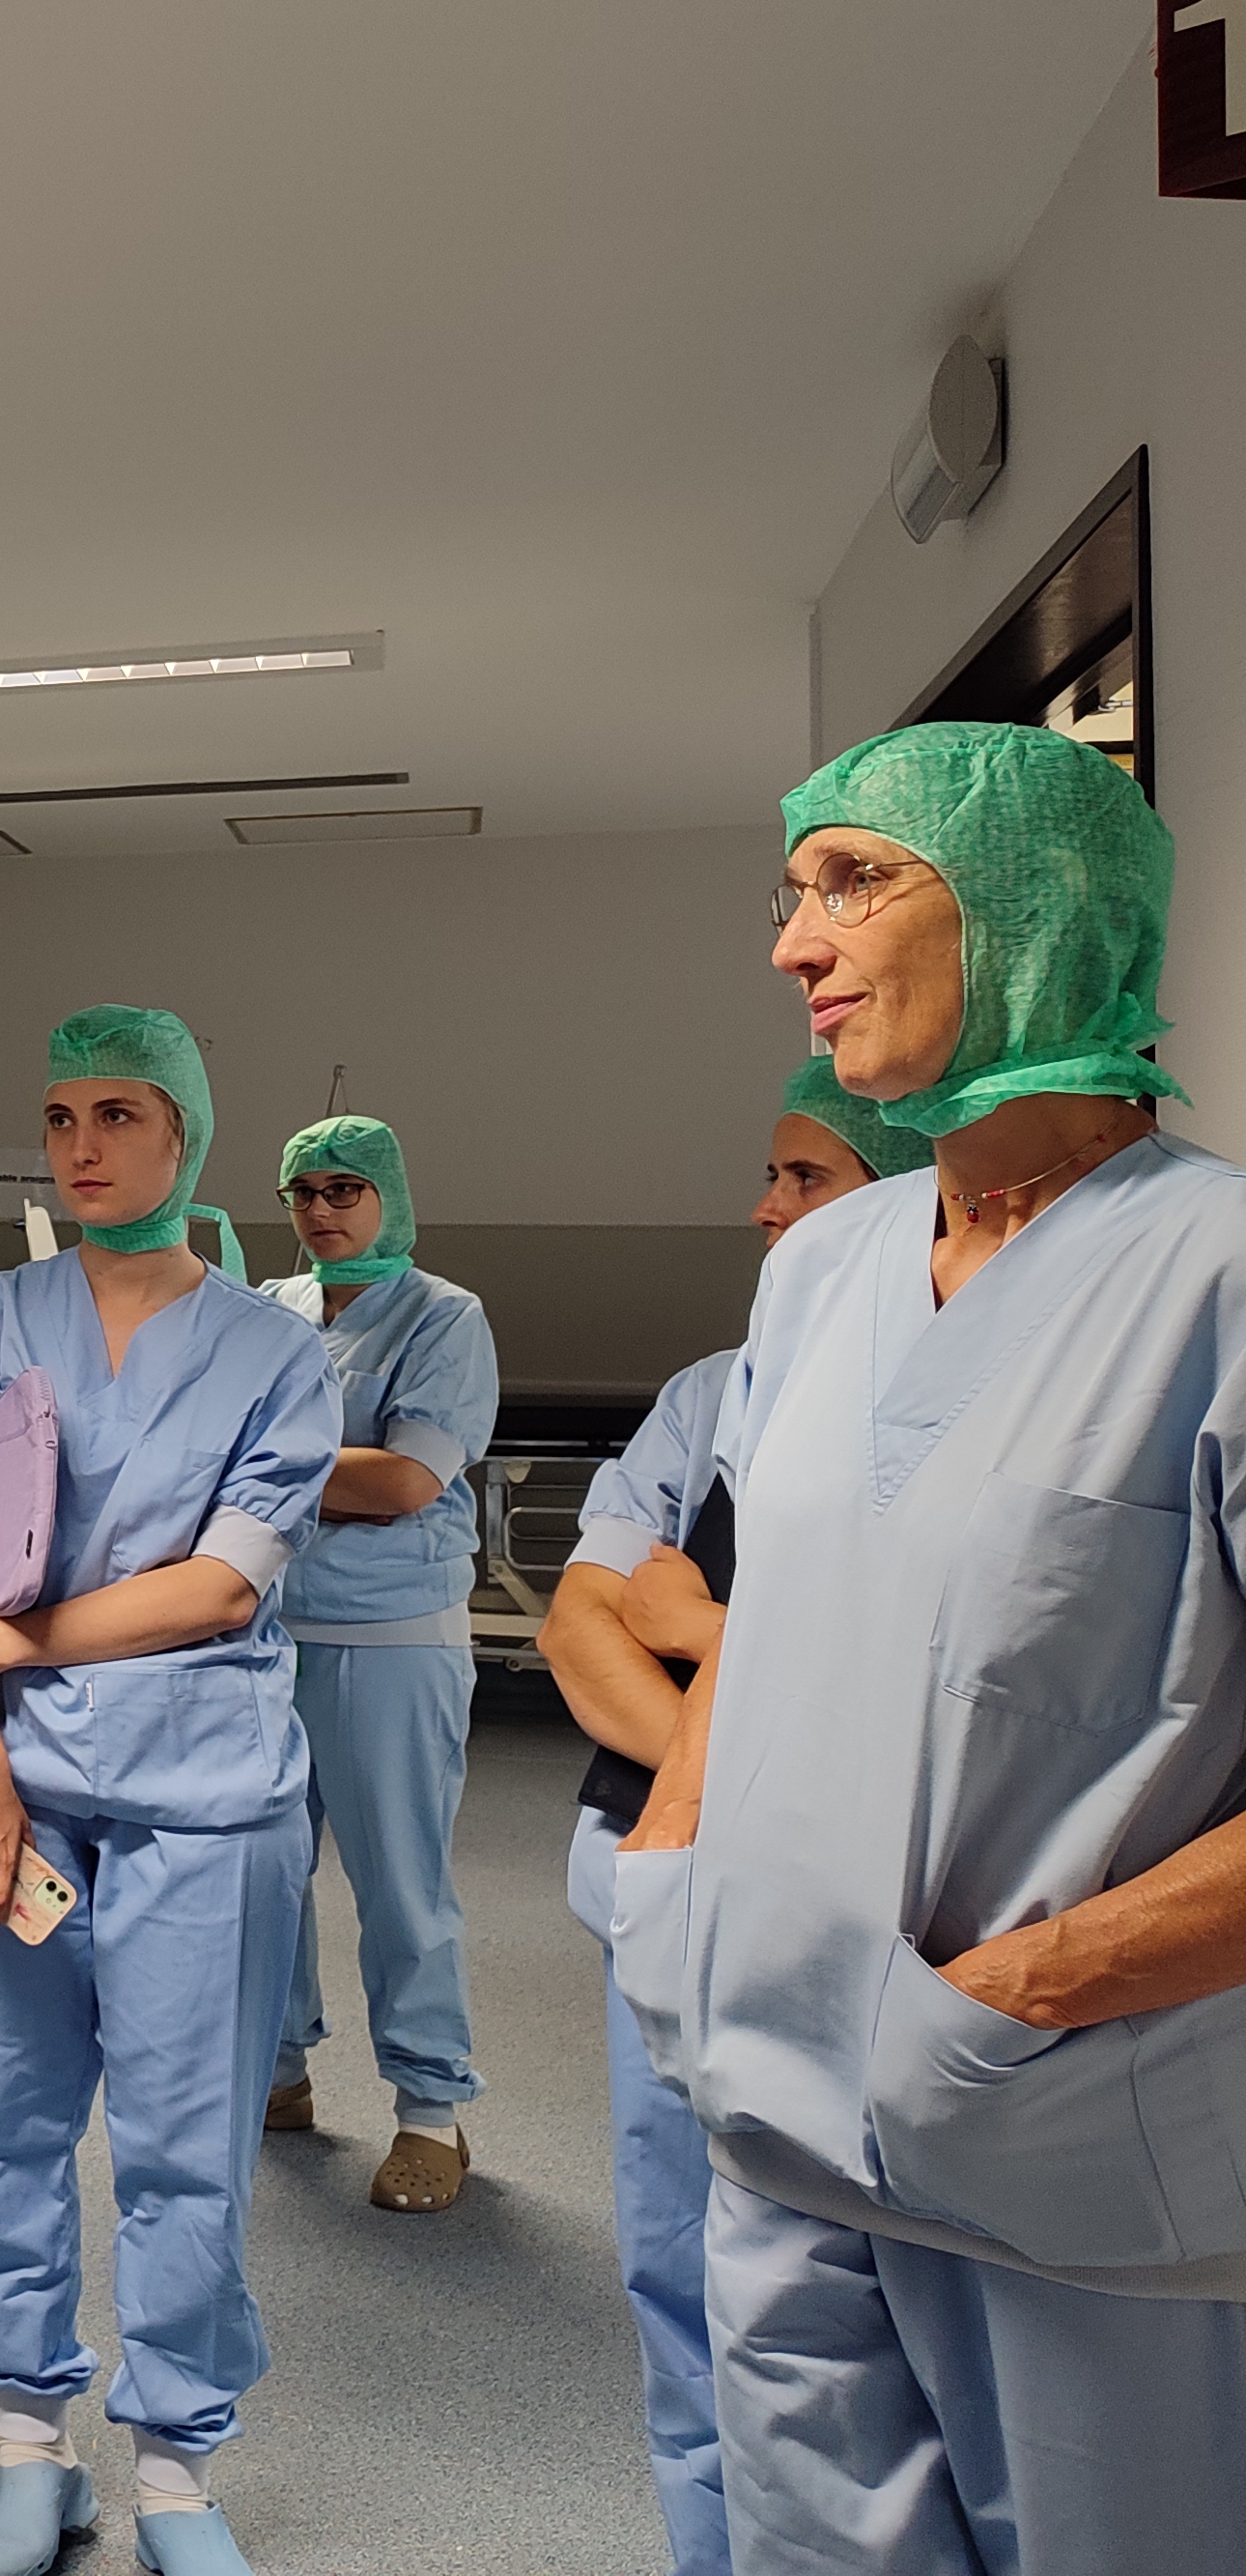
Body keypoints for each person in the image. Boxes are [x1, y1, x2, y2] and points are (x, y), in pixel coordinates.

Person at [619, 723, 1246, 2575]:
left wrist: (1024, 1995)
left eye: (855, 881)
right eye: (790, 889)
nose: (791, 942)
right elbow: (773, 1604)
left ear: (1033, 903)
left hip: (1069, 2149)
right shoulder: (824, 1268)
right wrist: (670, 1866)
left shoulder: (1217, 1277)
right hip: (773, 2114)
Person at [0, 1007, 340, 2576]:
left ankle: (174, 2477)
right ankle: (32, 2453)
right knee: (3, 2127)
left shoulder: (277, 1357)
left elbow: (220, 1589)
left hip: (201, 1798)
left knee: (185, 2145)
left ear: (187, 1135)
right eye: (60, 1116)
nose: (80, 1146)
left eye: (118, 1114)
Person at [539, 1059, 929, 2576]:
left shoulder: (940, 1399)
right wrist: (742, 1745)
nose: (767, 1207)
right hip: (673, 1883)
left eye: (805, 1177)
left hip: (865, 1918)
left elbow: (922, 1673)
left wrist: (702, 1626)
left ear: (903, 1192)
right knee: (682, 2274)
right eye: (771, 1175)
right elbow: (585, 1624)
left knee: (869, 2311)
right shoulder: (712, 1393)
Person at [258, 1115, 500, 2211]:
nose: (320, 1210)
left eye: (344, 1189)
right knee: (261, 1875)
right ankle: (276, 2074)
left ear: (389, 1197)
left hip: (390, 1639)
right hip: (266, 1632)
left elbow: (406, 1482)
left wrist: (264, 1469)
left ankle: (430, 2110)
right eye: (302, 1191)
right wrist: (327, 1474)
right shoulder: (270, 1308)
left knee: (400, 1886)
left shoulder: (444, 1317)